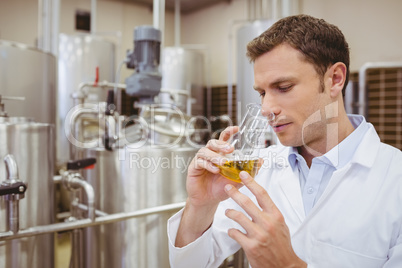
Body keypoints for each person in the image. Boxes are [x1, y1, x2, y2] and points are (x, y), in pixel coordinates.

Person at [167, 14, 402, 268]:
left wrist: (290, 266)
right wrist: (200, 206)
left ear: (335, 79)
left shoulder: (394, 179)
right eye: (262, 92)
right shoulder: (258, 168)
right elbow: (190, 264)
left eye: (284, 87)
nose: (266, 108)